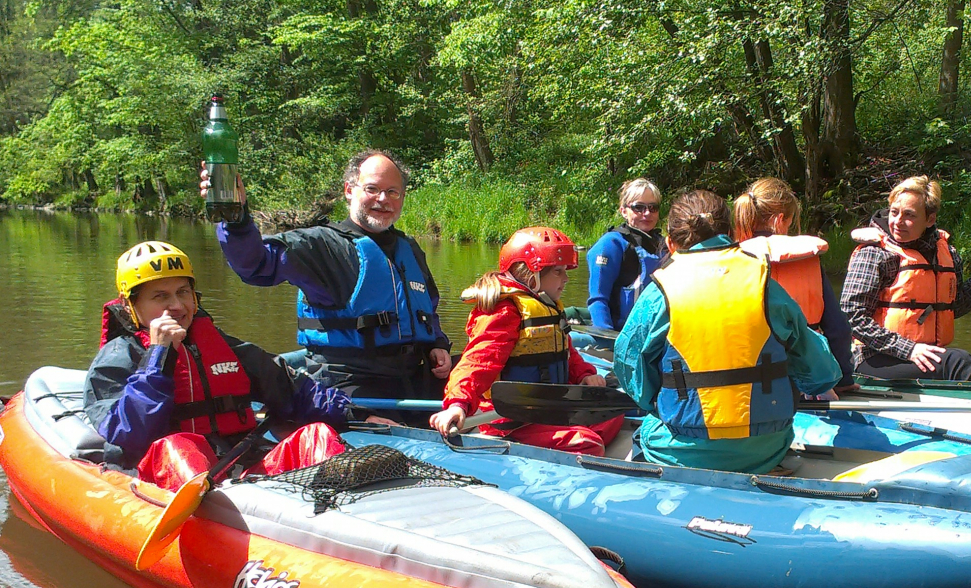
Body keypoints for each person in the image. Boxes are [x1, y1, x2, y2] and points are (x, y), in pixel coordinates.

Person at [83, 241, 375, 491]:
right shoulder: (117, 358)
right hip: (170, 473)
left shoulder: (224, 347)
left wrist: (362, 416)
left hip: (241, 464)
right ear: (131, 305)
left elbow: (295, 392)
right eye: (160, 296)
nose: (177, 305)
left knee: (317, 435)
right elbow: (128, 433)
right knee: (177, 449)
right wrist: (157, 357)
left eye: (183, 292)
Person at [613, 190, 842, 474]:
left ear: (670, 243)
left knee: (644, 430)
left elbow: (629, 368)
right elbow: (820, 372)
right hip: (765, 449)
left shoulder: (658, 293)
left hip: (680, 449)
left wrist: (661, 405)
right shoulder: (764, 283)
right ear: (733, 232)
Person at [199, 149, 452, 402]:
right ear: (349, 190)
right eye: (372, 189)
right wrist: (236, 218)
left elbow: (427, 309)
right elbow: (254, 264)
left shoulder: (409, 249)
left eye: (392, 192)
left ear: (402, 197)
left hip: (409, 378)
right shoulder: (319, 246)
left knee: (476, 370)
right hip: (347, 385)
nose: (383, 199)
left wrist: (436, 344)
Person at [429, 228, 623, 455]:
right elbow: (478, 362)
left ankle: (569, 446)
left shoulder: (547, 306)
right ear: (533, 274)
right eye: (558, 272)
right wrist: (458, 404)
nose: (566, 279)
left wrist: (584, 375)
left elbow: (566, 353)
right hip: (509, 420)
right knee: (586, 443)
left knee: (612, 415)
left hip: (546, 408)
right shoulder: (505, 313)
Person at [840, 175, 971, 381]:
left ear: (930, 219)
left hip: (921, 357)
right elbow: (851, 317)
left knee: (959, 360)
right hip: (872, 358)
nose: (898, 222)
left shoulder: (946, 253)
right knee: (959, 362)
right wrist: (908, 349)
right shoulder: (875, 254)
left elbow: (955, 306)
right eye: (894, 212)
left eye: (909, 215)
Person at [732, 177, 856, 392]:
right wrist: (842, 379)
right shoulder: (807, 260)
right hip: (803, 380)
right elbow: (838, 329)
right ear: (780, 219)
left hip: (748, 380)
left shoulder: (730, 259)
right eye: (791, 220)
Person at [586, 178, 665, 331]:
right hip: (620, 334)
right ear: (623, 211)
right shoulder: (611, 244)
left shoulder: (665, 246)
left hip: (655, 335)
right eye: (638, 207)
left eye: (653, 207)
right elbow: (598, 299)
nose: (647, 213)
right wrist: (606, 339)